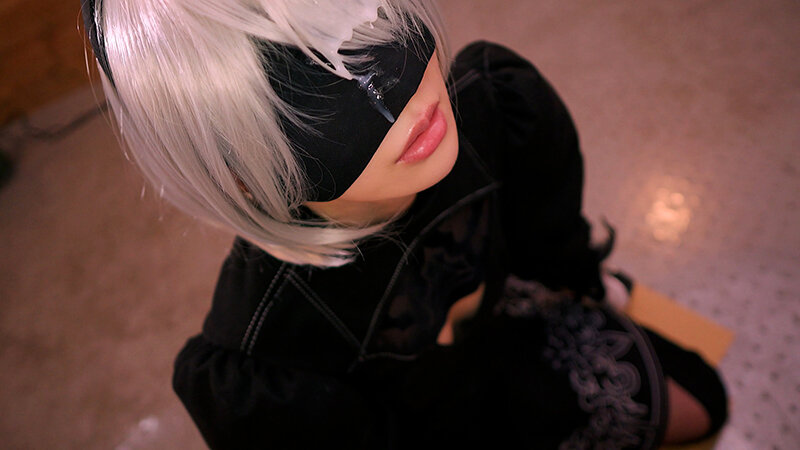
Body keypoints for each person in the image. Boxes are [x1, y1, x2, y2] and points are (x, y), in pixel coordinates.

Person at [81, 0, 728, 448]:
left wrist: (576, 281)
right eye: (302, 96)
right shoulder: (271, 362)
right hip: (428, 430)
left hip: (516, 325)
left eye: (360, 19)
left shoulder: (496, 111)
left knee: (704, 403)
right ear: (240, 174)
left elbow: (552, 236)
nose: (393, 96)